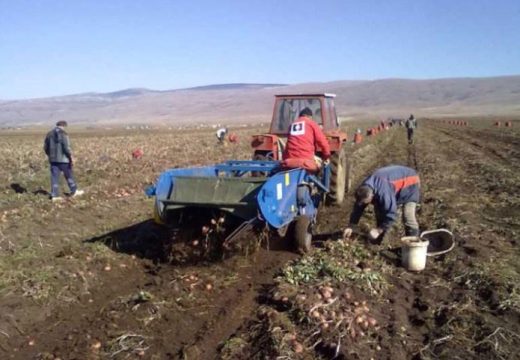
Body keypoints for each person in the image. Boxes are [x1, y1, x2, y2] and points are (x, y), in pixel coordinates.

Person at [343, 165, 420, 243]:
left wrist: (378, 230)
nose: (366, 204)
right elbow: (358, 207)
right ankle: (378, 241)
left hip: (410, 182)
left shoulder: (384, 192)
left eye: (367, 202)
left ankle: (413, 244)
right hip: (391, 182)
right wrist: (351, 226)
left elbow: (391, 214)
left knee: (408, 216)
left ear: (372, 196)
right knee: (379, 211)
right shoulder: (364, 189)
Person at [43, 121, 84, 201]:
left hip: (53, 160)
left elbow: (45, 147)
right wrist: (71, 157)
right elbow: (66, 147)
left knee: (54, 177)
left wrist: (50, 155)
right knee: (68, 175)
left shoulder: (49, 134)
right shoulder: (63, 134)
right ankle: (74, 191)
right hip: (63, 159)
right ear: (64, 126)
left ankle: (54, 195)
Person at [281, 107, 331, 172]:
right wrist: (326, 156)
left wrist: (285, 160)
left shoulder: (292, 125)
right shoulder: (312, 124)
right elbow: (323, 142)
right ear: (310, 117)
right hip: (306, 163)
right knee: (321, 167)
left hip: (289, 162)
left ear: (300, 116)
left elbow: (288, 145)